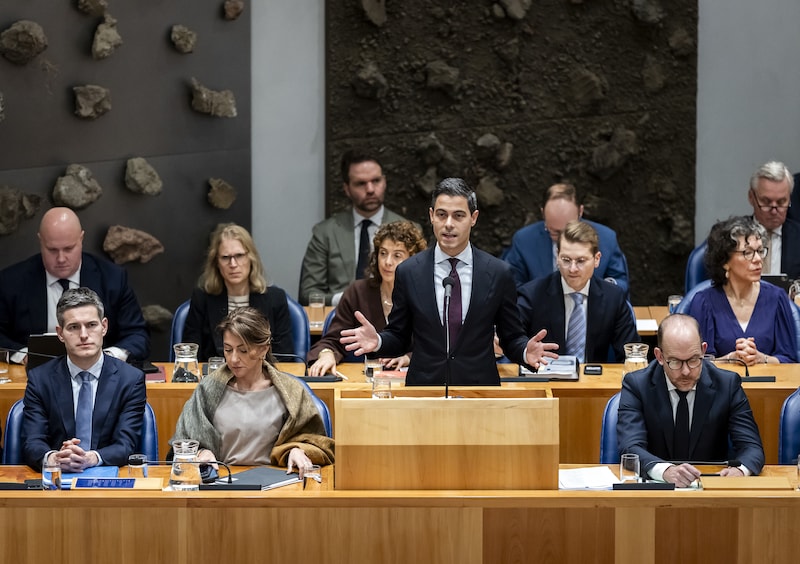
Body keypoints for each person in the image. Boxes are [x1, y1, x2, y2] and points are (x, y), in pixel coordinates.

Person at [341, 178, 559, 386]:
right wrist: (378, 341)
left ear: (473, 218)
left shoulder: (498, 273)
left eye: (458, 216)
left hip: (479, 390)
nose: (448, 224)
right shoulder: (409, 272)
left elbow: (510, 337)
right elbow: (400, 336)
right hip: (426, 390)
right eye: (442, 214)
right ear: (431, 216)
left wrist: (525, 352)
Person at [173, 307, 334, 474]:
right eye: (228, 349)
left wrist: (297, 450)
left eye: (243, 350)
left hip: (277, 479)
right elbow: (184, 441)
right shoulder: (208, 389)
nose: (233, 359)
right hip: (222, 479)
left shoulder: (291, 391)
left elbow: (316, 441)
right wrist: (201, 452)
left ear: (264, 349)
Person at [617, 314, 765, 487]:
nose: (686, 371)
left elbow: (752, 447)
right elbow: (630, 447)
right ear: (659, 356)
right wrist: (665, 471)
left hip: (710, 487)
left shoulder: (727, 384)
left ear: (703, 350)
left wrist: (740, 471)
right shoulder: (637, 385)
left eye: (693, 360)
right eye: (675, 362)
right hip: (656, 488)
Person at [0, 207, 149, 363]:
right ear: (40, 241)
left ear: (81, 239)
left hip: (99, 373)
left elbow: (137, 335)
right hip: (33, 373)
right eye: (52, 250)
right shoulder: (11, 281)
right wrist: (23, 356)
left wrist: (107, 359)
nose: (61, 258)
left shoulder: (112, 278)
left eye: (68, 248)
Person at [21, 287, 147, 472]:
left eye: (91, 325)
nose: (83, 335)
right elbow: (33, 442)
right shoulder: (40, 379)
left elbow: (126, 444)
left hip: (108, 474)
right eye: (73, 327)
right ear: (60, 333)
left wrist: (90, 458)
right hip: (57, 476)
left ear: (104, 327)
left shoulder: (130, 379)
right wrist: (54, 458)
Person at [299, 150, 419, 306]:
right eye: (361, 183)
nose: (370, 189)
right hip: (339, 315)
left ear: (384, 182)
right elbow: (308, 293)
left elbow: (418, 288)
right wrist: (347, 299)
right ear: (347, 189)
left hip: (392, 315)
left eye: (376, 181)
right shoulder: (325, 233)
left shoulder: (409, 230)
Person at [307, 221, 427, 376]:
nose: (387, 262)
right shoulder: (358, 292)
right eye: (383, 253)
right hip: (367, 381)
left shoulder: (425, 294)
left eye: (397, 255)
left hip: (412, 381)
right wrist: (327, 354)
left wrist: (409, 358)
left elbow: (437, 346)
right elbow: (333, 340)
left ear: (413, 259)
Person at [517, 220, 638, 363]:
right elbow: (513, 339)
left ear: (597, 259)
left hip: (594, 376)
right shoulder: (532, 295)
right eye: (566, 260)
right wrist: (524, 350)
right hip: (545, 373)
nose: (572, 269)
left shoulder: (613, 298)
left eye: (580, 261)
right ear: (557, 256)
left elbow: (630, 353)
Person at [688, 216, 797, 364]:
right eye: (748, 252)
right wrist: (730, 358)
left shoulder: (777, 298)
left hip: (770, 379)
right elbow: (698, 363)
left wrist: (761, 358)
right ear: (725, 261)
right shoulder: (703, 303)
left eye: (760, 251)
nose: (758, 259)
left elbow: (790, 361)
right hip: (720, 380)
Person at [183, 223, 294, 362]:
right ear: (216, 262)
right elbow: (190, 354)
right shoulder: (202, 298)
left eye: (239, 256)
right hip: (215, 373)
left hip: (262, 374)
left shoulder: (275, 298)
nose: (233, 264)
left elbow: (284, 357)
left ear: (251, 258)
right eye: (225, 257)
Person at [503, 183, 629, 292]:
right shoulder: (524, 240)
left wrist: (601, 290)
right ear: (543, 214)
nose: (563, 239)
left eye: (568, 230)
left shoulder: (606, 238)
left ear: (580, 212)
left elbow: (621, 282)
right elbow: (510, 285)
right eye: (555, 232)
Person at [746, 161, 800, 278]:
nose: (774, 211)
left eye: (781, 202)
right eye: (766, 202)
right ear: (751, 197)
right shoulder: (729, 236)